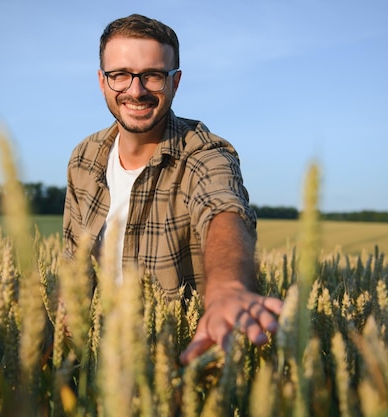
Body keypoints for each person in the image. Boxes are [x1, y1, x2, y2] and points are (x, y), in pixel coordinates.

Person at [62, 14, 283, 365]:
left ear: (175, 82)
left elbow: (223, 211)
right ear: (102, 82)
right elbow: (75, 263)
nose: (136, 90)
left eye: (152, 75)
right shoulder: (83, 159)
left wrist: (227, 289)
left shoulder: (205, 153)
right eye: (120, 75)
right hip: (101, 364)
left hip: (178, 361)